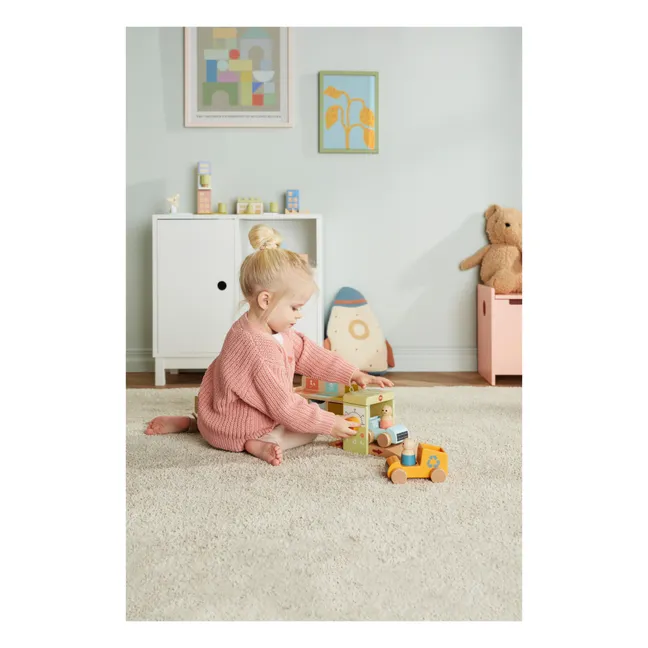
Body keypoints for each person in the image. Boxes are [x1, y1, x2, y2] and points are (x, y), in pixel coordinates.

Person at [145, 224, 393, 466]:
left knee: (305, 413)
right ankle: (259, 442)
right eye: (295, 308)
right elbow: (284, 407)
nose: (299, 315)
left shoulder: (270, 329)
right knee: (310, 429)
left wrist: (353, 374)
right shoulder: (259, 350)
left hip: (216, 416)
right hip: (238, 429)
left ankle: (194, 424)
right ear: (266, 300)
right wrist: (331, 424)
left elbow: (311, 355)